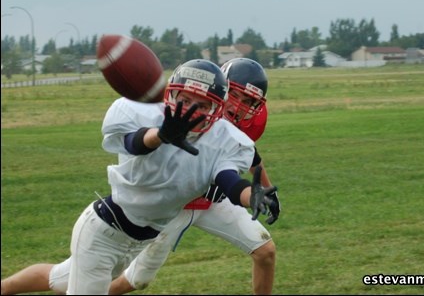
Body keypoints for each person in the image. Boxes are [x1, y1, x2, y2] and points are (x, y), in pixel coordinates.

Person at [1, 58, 276, 295]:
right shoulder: (150, 118)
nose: (193, 109)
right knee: (102, 280)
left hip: (141, 236)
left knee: (63, 278)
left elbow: (229, 178)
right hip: (107, 229)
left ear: (215, 107)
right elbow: (135, 142)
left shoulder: (223, 139)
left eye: (202, 105)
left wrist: (253, 195)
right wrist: (163, 134)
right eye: (186, 101)